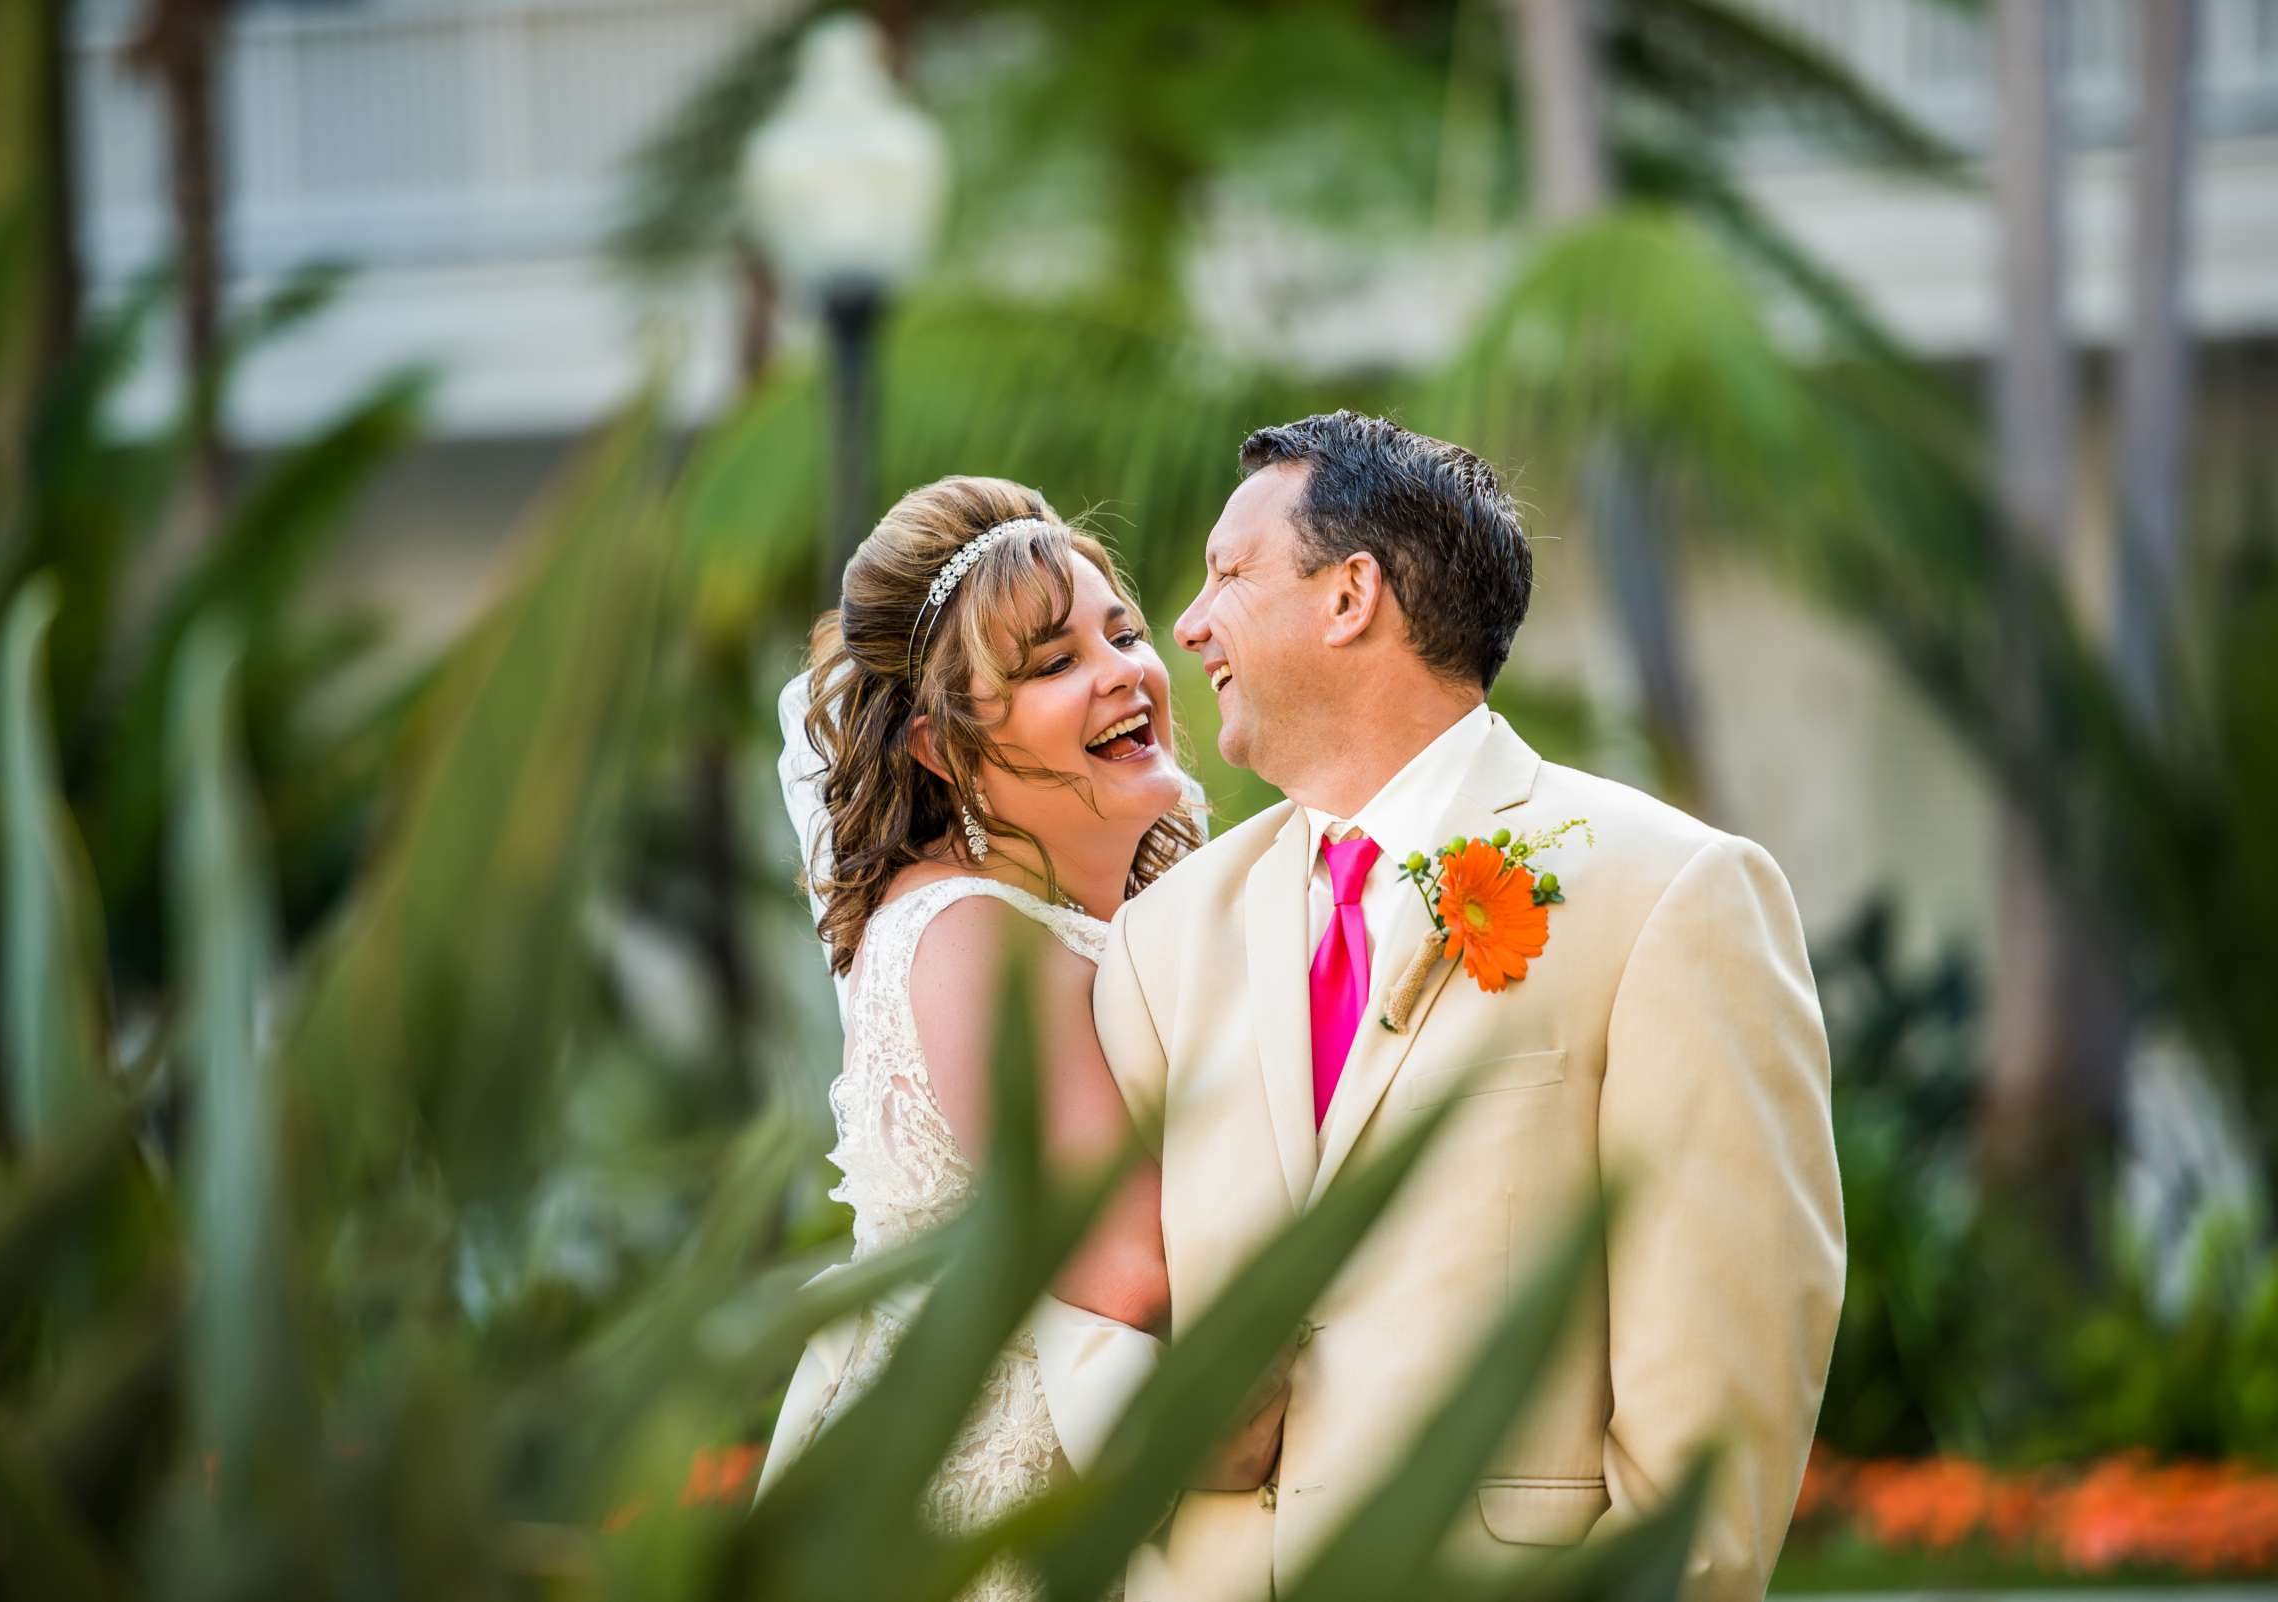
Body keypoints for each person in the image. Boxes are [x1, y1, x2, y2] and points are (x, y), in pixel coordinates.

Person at [1078, 411, 1848, 1602]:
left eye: (1229, 574)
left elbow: (1719, 1421)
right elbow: (1107, 1337)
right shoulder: (1160, 941)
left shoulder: (1672, 895)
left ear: (1352, 598)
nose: (1187, 625)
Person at [759, 476, 1277, 1602]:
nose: (1126, 674)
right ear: (945, 747)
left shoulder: (1110, 926)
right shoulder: (972, 937)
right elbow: (1130, 1273)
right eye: (1053, 665)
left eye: (1122, 631)